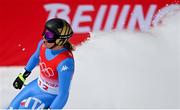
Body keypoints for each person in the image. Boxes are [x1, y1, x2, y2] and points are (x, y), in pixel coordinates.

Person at [8, 18, 75, 109]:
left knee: (23, 108)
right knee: (11, 108)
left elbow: (63, 94)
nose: (44, 37)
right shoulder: (43, 45)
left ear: (59, 40)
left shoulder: (65, 62)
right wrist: (23, 75)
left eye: (49, 35)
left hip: (50, 96)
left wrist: (53, 108)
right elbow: (35, 57)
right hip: (36, 86)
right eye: (44, 32)